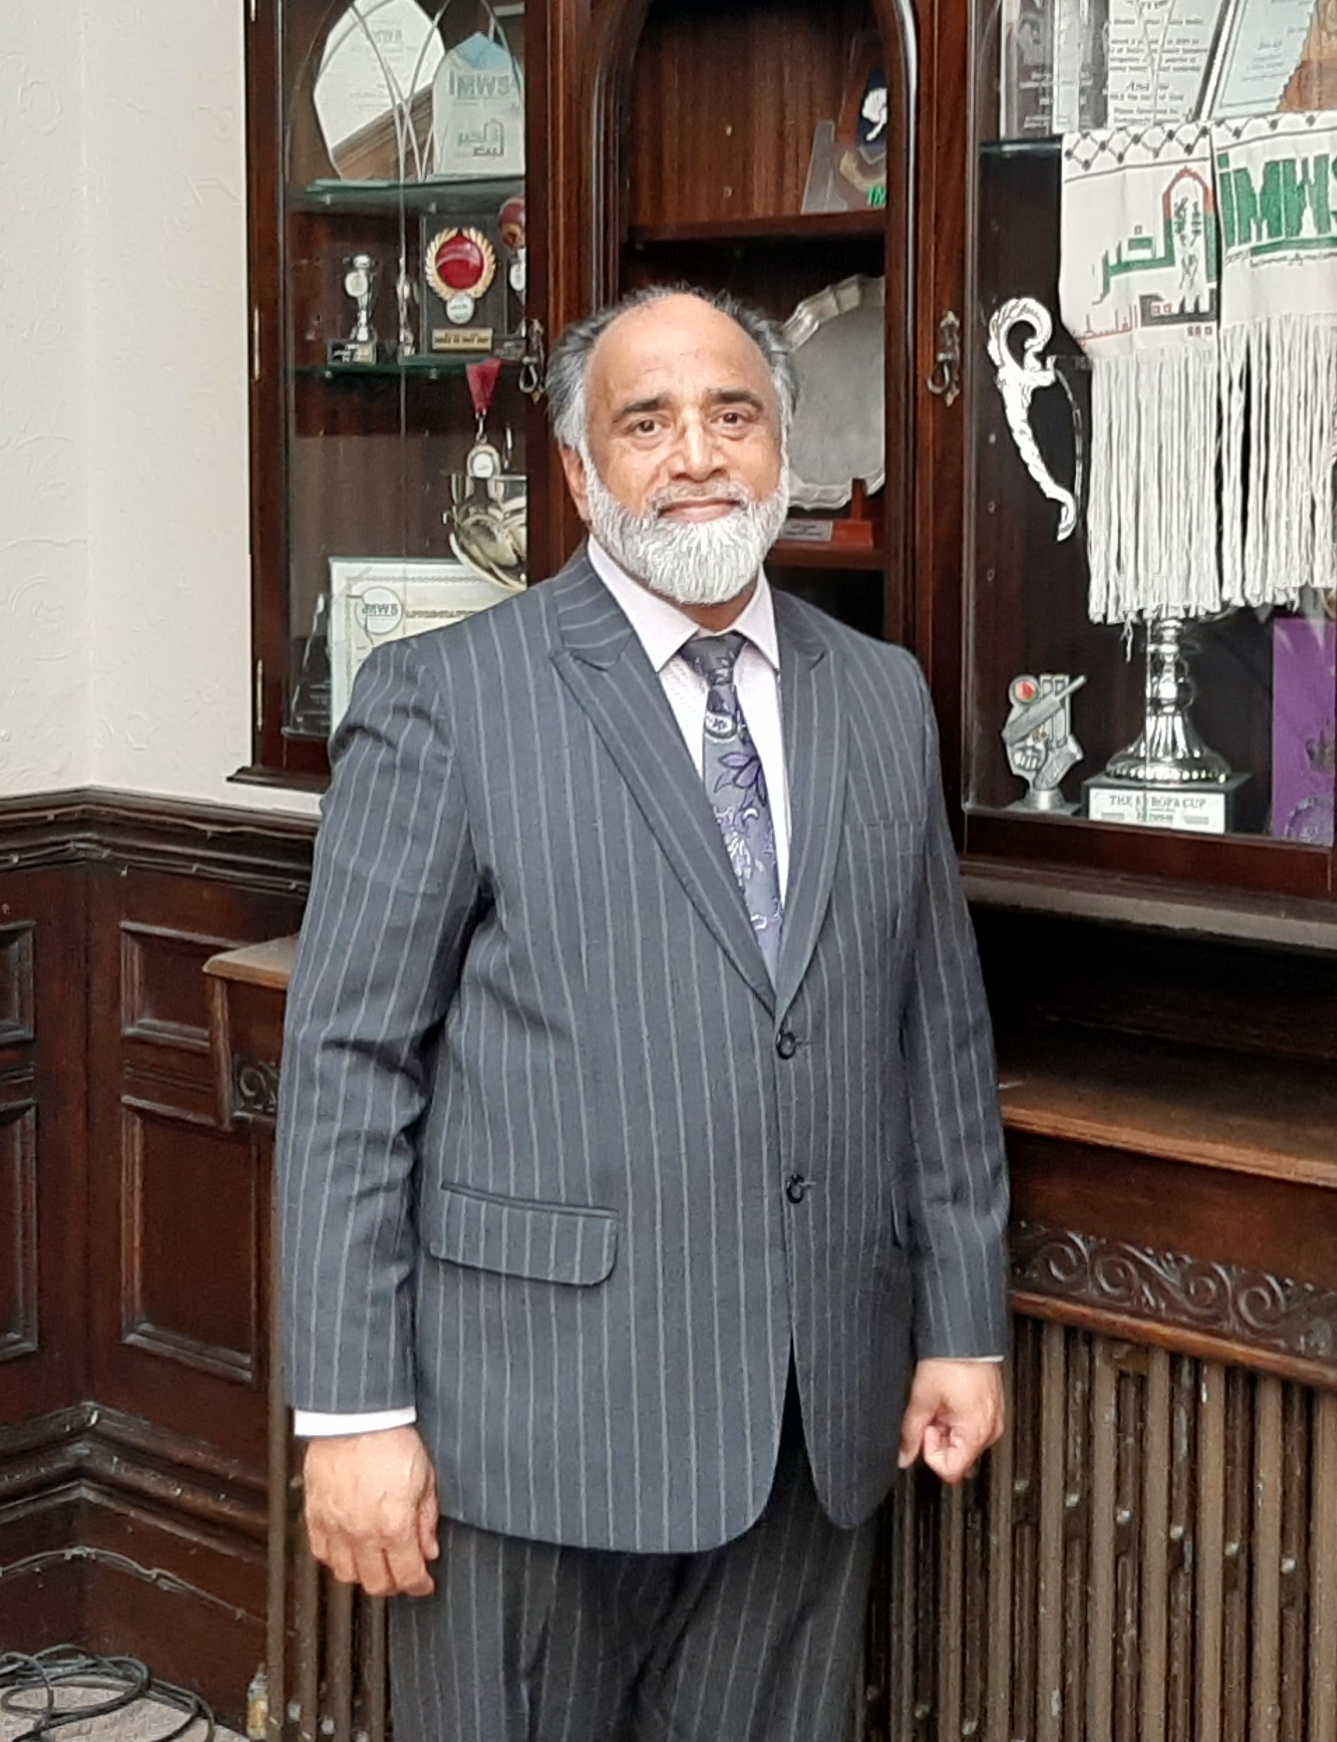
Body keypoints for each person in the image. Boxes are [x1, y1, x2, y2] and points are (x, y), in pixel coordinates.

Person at [275, 283, 1013, 1739]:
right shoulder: (447, 699)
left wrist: (962, 1325)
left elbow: (937, 1029)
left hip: (814, 1413)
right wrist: (353, 1415)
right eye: (647, 421)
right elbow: (351, 1065)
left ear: (784, 450)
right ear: (577, 471)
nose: (696, 455)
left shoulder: (879, 697)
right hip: (533, 1422)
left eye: (733, 415)